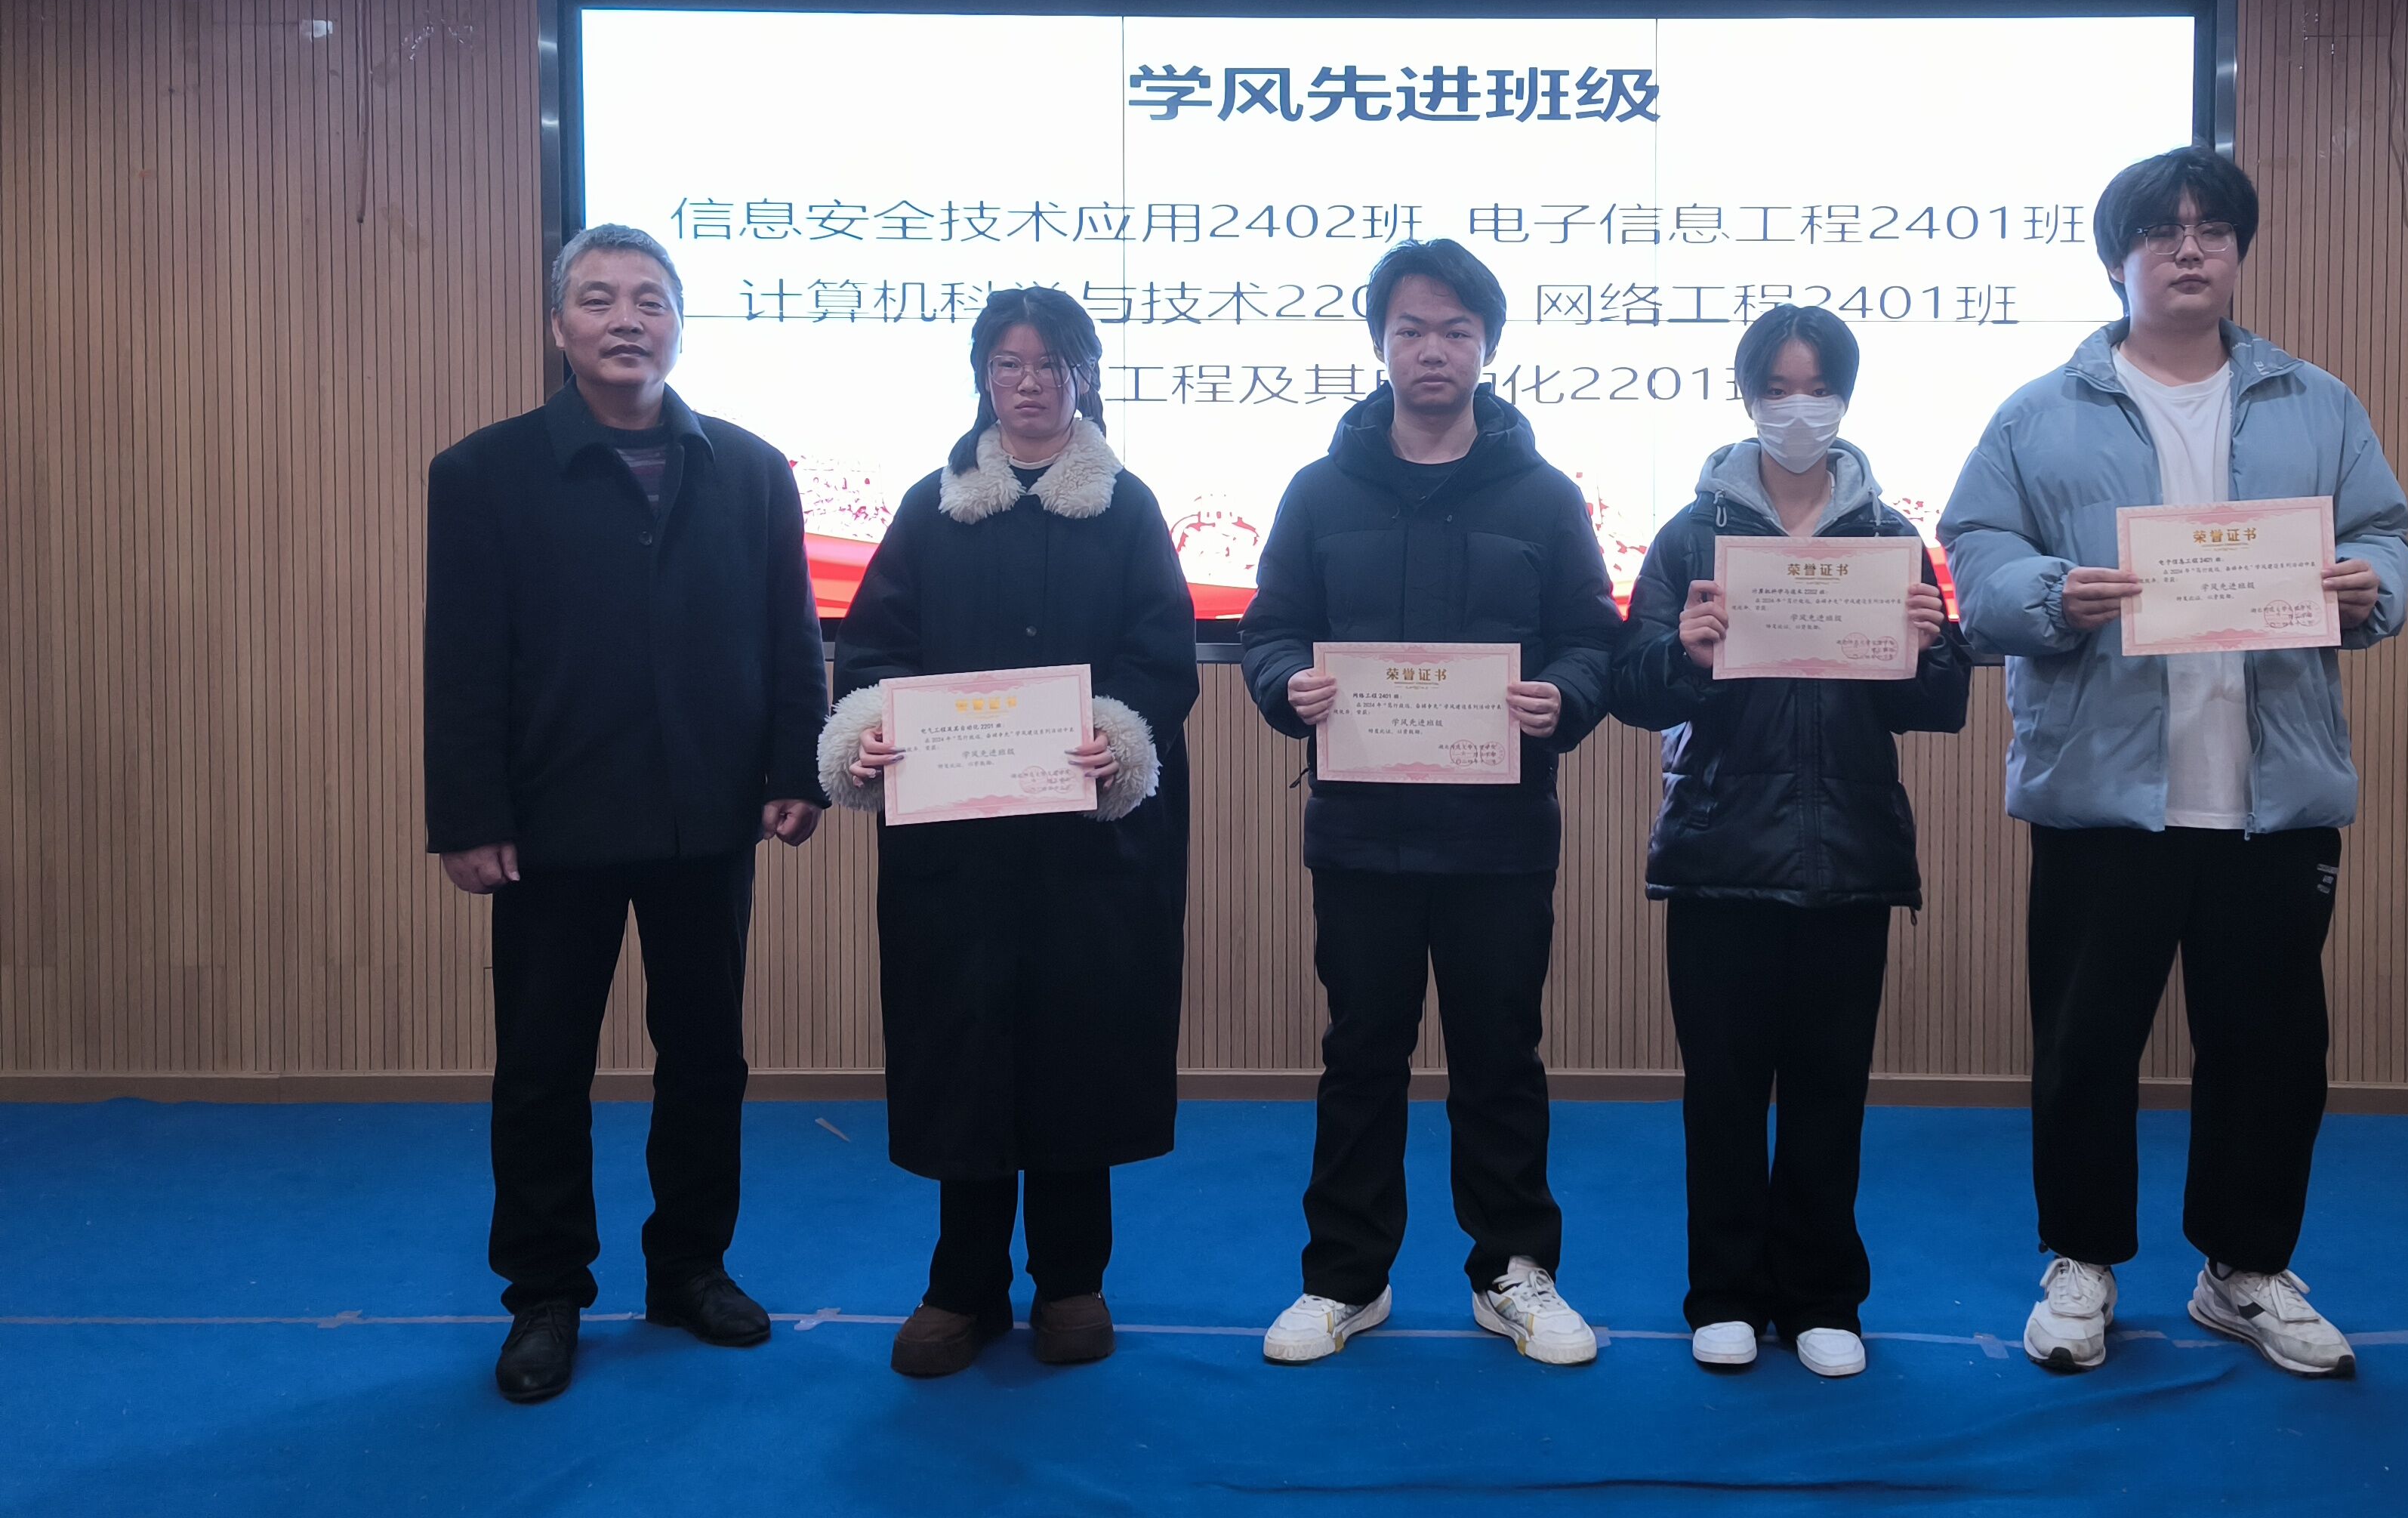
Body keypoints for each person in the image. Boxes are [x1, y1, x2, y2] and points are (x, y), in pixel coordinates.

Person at [1938, 147, 2408, 1381]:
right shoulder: (2041, 411)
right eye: (2162, 231)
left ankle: (2244, 1269)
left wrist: (2373, 585)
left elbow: (2385, 534)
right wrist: (2051, 591)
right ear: (2119, 260)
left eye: (2211, 229)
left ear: (2239, 252)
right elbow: (1976, 552)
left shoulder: (2317, 402)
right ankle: (2082, 1262)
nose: (2190, 248)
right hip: (2104, 791)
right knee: (2085, 1045)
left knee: (2271, 1050)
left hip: (2275, 790)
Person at [423, 223, 829, 1404]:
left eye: (650, 299)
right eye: (598, 298)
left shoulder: (750, 469)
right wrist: (468, 813)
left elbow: (790, 634)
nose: (626, 319)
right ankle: (544, 1292)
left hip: (709, 813)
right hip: (552, 822)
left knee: (706, 1057)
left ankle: (690, 1268)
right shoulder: (484, 472)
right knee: (542, 1065)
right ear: (560, 326)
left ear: (679, 325)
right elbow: (463, 660)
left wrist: (796, 768)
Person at [1241, 239, 1623, 1368]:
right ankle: (1345, 1279)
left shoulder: (1544, 496)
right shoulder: (1318, 492)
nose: (1433, 349)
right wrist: (1285, 684)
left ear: (1487, 347)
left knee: (1501, 1056)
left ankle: (1514, 1270)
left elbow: (1591, 639)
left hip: (1500, 837)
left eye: (1457, 330)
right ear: (1380, 345)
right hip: (1362, 835)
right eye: (1411, 329)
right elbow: (1270, 631)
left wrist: (1564, 696)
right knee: (1362, 1055)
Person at [815, 288, 1199, 1380]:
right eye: (1007, 364)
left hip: (1090, 849)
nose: (1028, 384)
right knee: (965, 1049)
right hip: (960, 853)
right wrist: (870, 730)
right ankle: (963, 1288)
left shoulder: (1127, 507)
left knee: (1080, 1048)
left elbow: (1162, 660)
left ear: (1085, 377)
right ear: (983, 378)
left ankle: (1073, 1280)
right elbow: (874, 651)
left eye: (1050, 365)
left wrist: (1116, 737)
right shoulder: (932, 508)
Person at [1608, 306, 1969, 1380]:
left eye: (1818, 389)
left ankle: (1821, 1297)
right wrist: (1683, 651)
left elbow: (1941, 702)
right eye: (1778, 387)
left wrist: (1924, 650)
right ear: (1748, 395)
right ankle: (1723, 1294)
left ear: (1845, 399)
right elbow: (1632, 688)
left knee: (1829, 1090)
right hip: (1720, 851)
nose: (1798, 409)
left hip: (1848, 854)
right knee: (1721, 1092)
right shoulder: (1690, 535)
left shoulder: (1890, 536)